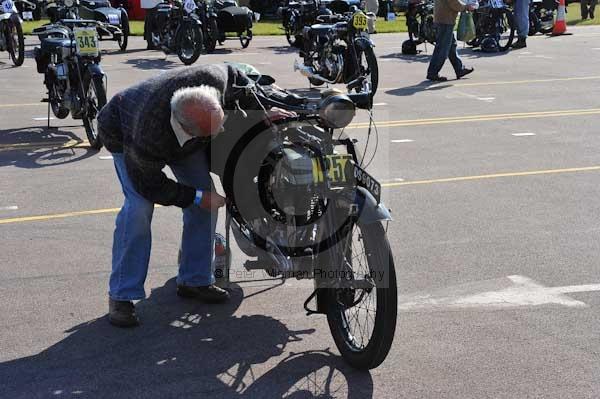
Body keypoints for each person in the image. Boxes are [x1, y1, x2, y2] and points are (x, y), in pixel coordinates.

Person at [97, 64, 292, 328]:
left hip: (175, 130)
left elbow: (240, 80)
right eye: (212, 130)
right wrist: (196, 198)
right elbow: (152, 186)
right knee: (139, 209)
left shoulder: (212, 80)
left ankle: (195, 280)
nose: (220, 131)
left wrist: (262, 111)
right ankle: (121, 295)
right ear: (186, 128)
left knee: (205, 198)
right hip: (122, 132)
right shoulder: (147, 134)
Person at [427, 0, 476, 82]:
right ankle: (433, 73)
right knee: (442, 49)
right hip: (445, 20)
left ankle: (459, 69)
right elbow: (454, 3)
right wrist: (466, 7)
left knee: (451, 47)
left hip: (443, 18)